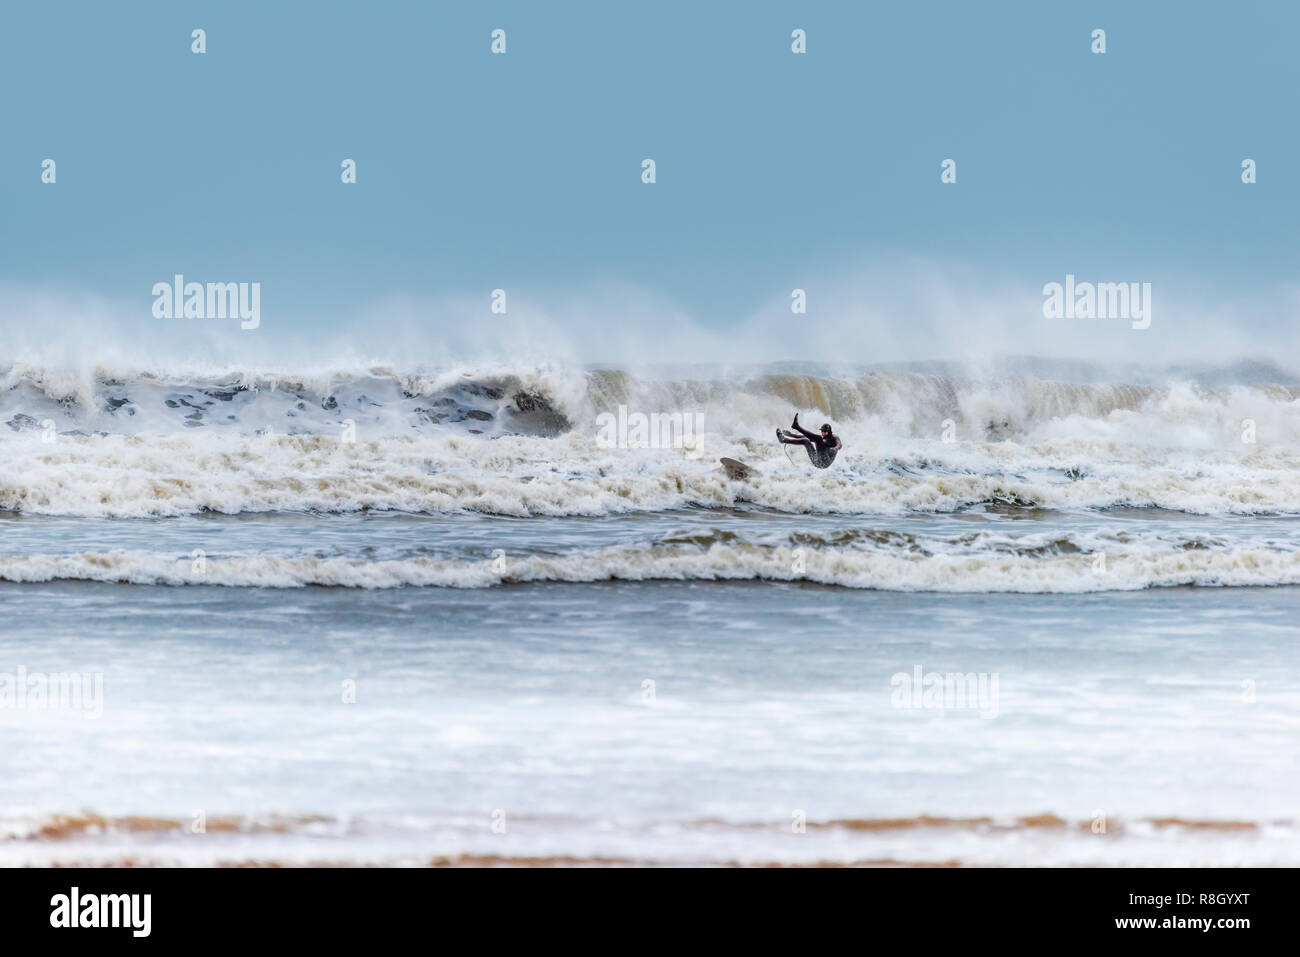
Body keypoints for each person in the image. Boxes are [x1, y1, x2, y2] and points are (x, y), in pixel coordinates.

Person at [777, 413, 841, 468]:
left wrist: (835, 449)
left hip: (825, 463)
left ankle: (797, 427)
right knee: (806, 440)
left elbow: (839, 445)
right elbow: (808, 438)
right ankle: (784, 440)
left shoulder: (835, 438)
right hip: (816, 461)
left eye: (825, 431)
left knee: (818, 438)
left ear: (829, 432)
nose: (823, 433)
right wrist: (791, 435)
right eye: (822, 431)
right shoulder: (822, 439)